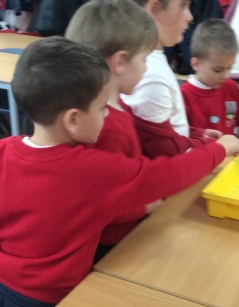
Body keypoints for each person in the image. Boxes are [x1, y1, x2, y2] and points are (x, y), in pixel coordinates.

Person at [0, 36, 239, 307]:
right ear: (73, 119)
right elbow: (169, 174)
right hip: (44, 304)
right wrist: (220, 149)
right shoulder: (89, 170)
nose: (108, 115)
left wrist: (21, 227)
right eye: (103, 107)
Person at [65, 0, 161, 262]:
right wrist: (145, 204)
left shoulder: (114, 108)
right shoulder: (107, 127)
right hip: (110, 245)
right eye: (144, 59)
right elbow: (100, 204)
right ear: (120, 61)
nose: (146, 68)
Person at [122, 0, 223, 159]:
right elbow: (164, 150)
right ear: (155, 9)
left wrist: (195, 133)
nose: (190, 17)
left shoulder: (153, 62)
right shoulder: (151, 75)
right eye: (183, 6)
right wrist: (215, 147)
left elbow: (161, 129)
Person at [180, 19, 239, 136]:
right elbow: (181, 135)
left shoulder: (230, 87)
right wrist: (199, 134)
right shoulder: (183, 96)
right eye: (218, 70)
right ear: (196, 64)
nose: (226, 75)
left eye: (230, 67)